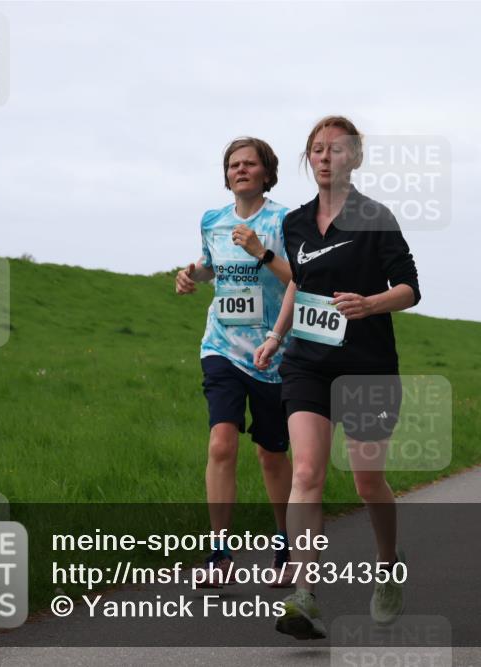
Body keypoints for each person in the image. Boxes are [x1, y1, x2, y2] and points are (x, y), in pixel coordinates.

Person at [254, 115, 420, 639]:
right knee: (307, 472)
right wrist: (277, 337)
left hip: (367, 364)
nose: (326, 157)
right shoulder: (296, 222)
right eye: (317, 150)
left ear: (355, 158)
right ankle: (304, 594)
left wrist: (370, 304)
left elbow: (411, 288)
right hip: (306, 361)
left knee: (368, 480)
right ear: (310, 159)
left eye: (337, 149)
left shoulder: (376, 217)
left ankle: (388, 563)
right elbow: (298, 286)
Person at [175, 137, 295, 588]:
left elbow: (299, 279)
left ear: (266, 171)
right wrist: (191, 274)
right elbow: (210, 265)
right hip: (221, 345)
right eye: (233, 164)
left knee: (270, 453)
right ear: (226, 174)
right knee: (221, 443)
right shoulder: (213, 220)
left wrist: (260, 252)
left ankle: (284, 543)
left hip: (272, 353)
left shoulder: (284, 219)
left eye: (249, 164)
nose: (240, 170)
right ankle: (220, 552)